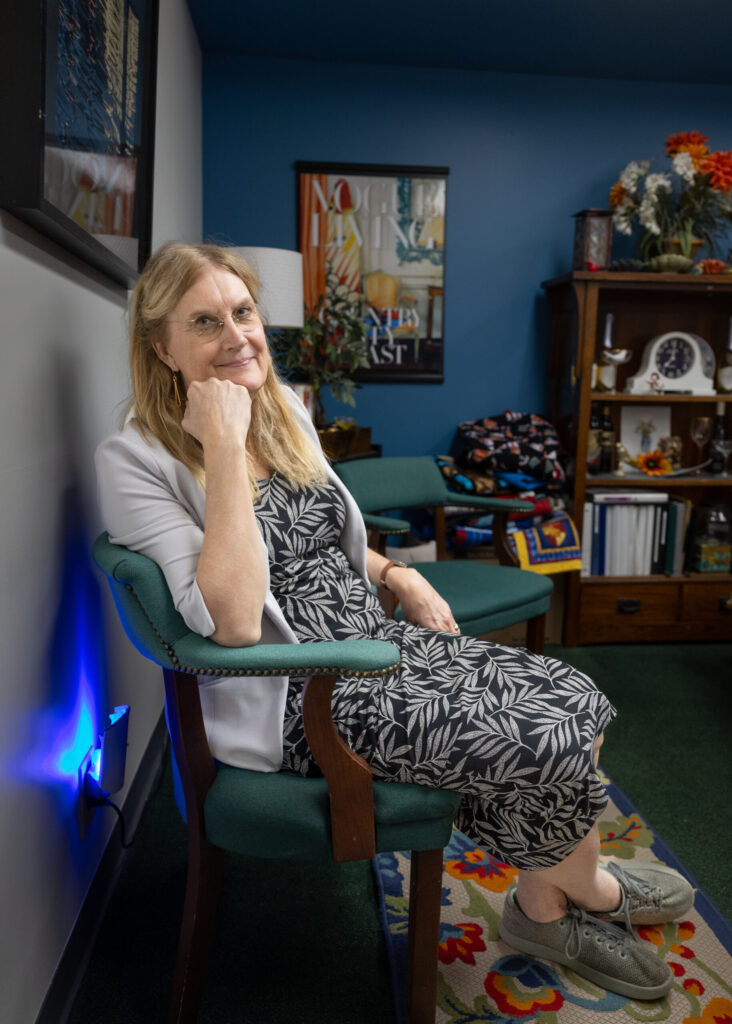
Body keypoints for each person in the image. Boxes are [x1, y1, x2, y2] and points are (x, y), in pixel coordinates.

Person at [96, 242, 691, 1001]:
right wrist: (218, 441)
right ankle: (594, 891)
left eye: (243, 312)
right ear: (161, 346)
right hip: (300, 692)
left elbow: (323, 540)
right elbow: (237, 622)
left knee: (578, 699)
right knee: (548, 735)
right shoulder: (138, 458)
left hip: (376, 641)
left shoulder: (283, 412)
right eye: (205, 322)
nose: (237, 336)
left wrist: (396, 572)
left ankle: (544, 904)